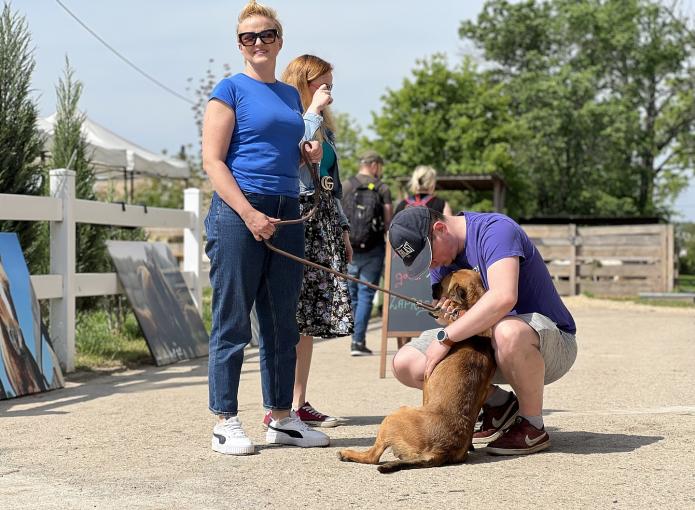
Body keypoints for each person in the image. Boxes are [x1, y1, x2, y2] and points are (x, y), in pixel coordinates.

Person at [202, 0, 329, 455]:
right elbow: (213, 162)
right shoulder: (228, 90)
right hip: (240, 210)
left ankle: (282, 418)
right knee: (233, 320)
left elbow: (282, 157)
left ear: (280, 40)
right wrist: (249, 214)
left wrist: (306, 157)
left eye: (267, 34)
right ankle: (226, 419)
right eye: (248, 37)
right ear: (239, 45)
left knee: (282, 322)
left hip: (287, 207)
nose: (258, 42)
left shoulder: (290, 96)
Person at [387, 206, 578, 455]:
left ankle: (532, 426)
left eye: (428, 256)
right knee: (406, 363)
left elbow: (503, 298)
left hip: (547, 346)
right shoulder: (441, 259)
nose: (431, 265)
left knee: (506, 330)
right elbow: (445, 318)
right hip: (488, 349)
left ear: (440, 229)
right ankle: (499, 406)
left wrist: (447, 337)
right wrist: (447, 318)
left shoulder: (496, 231)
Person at [253, 54, 352, 428]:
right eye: (322, 84)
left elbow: (331, 184)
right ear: (304, 83)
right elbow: (290, 163)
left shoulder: (325, 128)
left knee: (307, 319)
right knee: (287, 316)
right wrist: (311, 111)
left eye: (330, 85)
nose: (329, 93)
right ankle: (277, 404)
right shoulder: (290, 119)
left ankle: (298, 401)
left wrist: (342, 228)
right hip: (295, 217)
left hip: (322, 222)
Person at [342, 151, 392, 356]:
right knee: (366, 294)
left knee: (353, 294)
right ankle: (357, 341)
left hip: (350, 247)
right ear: (373, 165)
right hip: (373, 248)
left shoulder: (346, 185)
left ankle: (355, 337)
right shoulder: (382, 188)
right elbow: (389, 221)